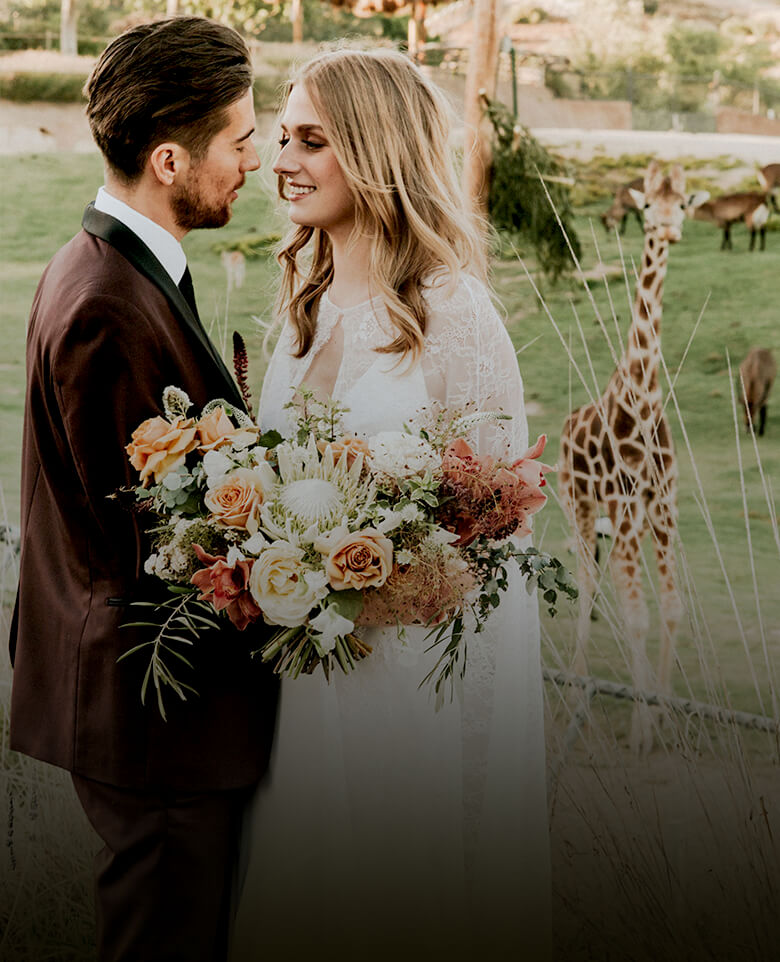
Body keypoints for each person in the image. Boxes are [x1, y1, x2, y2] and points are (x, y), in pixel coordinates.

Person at [231, 49, 551, 961]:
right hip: (299, 685)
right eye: (281, 137)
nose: (281, 161)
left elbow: (497, 539)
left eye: (311, 140)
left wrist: (474, 744)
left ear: (375, 150)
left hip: (408, 692)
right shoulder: (303, 306)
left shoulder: (453, 314)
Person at [9, 17, 278, 962]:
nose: (257, 157)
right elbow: (157, 543)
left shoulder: (113, 270)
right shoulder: (106, 306)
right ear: (170, 159)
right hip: (157, 719)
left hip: (154, 717)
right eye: (240, 140)